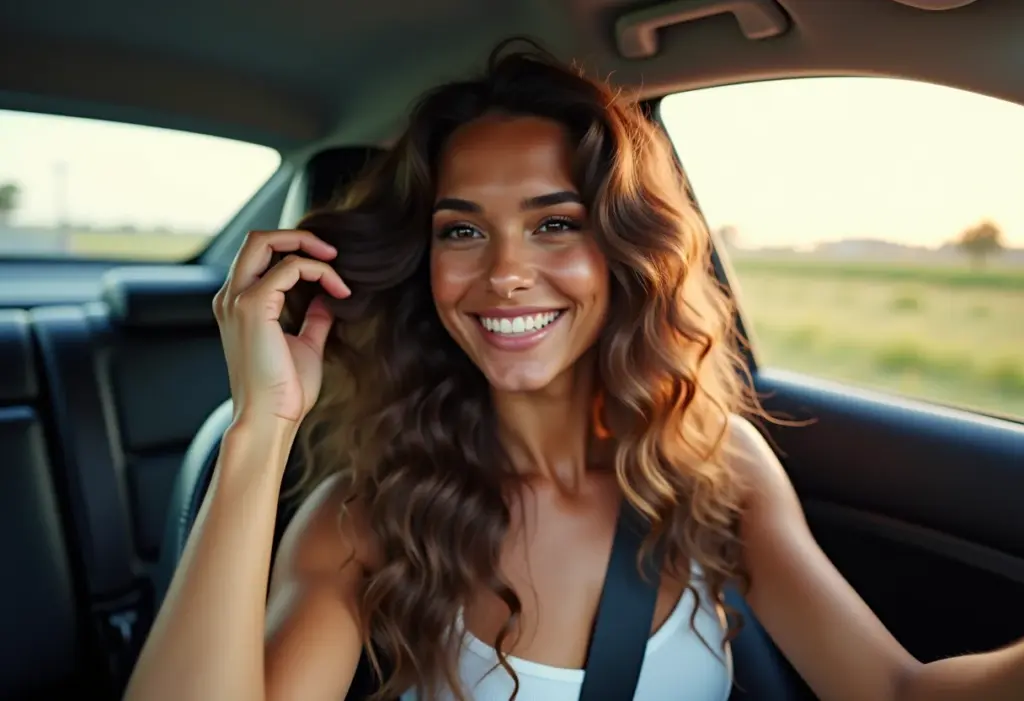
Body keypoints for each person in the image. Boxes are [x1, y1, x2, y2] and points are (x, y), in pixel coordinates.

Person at [125, 42, 1024, 701]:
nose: (507, 271)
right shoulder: (368, 516)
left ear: (624, 252)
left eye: (556, 223)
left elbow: (898, 692)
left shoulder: (717, 466)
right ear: (424, 262)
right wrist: (262, 424)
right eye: (463, 230)